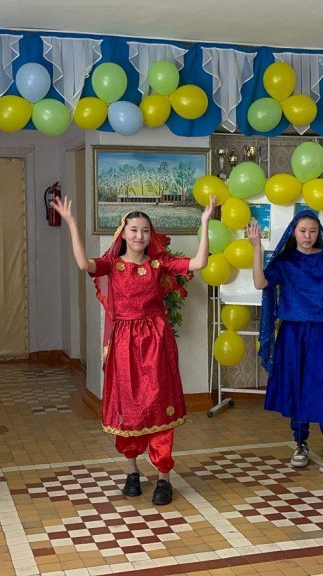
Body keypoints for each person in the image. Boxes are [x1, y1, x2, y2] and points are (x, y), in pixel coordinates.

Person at [51, 195, 215, 505]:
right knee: (129, 407)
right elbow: (84, 264)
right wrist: (72, 223)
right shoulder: (112, 265)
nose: (140, 236)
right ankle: (131, 472)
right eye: (134, 230)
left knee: (159, 403)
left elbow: (198, 263)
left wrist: (205, 222)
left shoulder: (159, 263)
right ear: (123, 233)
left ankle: (164, 478)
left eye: (145, 230)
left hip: (156, 341)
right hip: (124, 342)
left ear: (151, 235)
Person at [248, 211, 323, 474]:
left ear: (319, 233)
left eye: (313, 231)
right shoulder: (285, 261)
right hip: (291, 333)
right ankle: (300, 443)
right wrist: (257, 248)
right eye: (302, 231)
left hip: (321, 333)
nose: (307, 236)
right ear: (294, 231)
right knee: (296, 386)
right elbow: (260, 283)